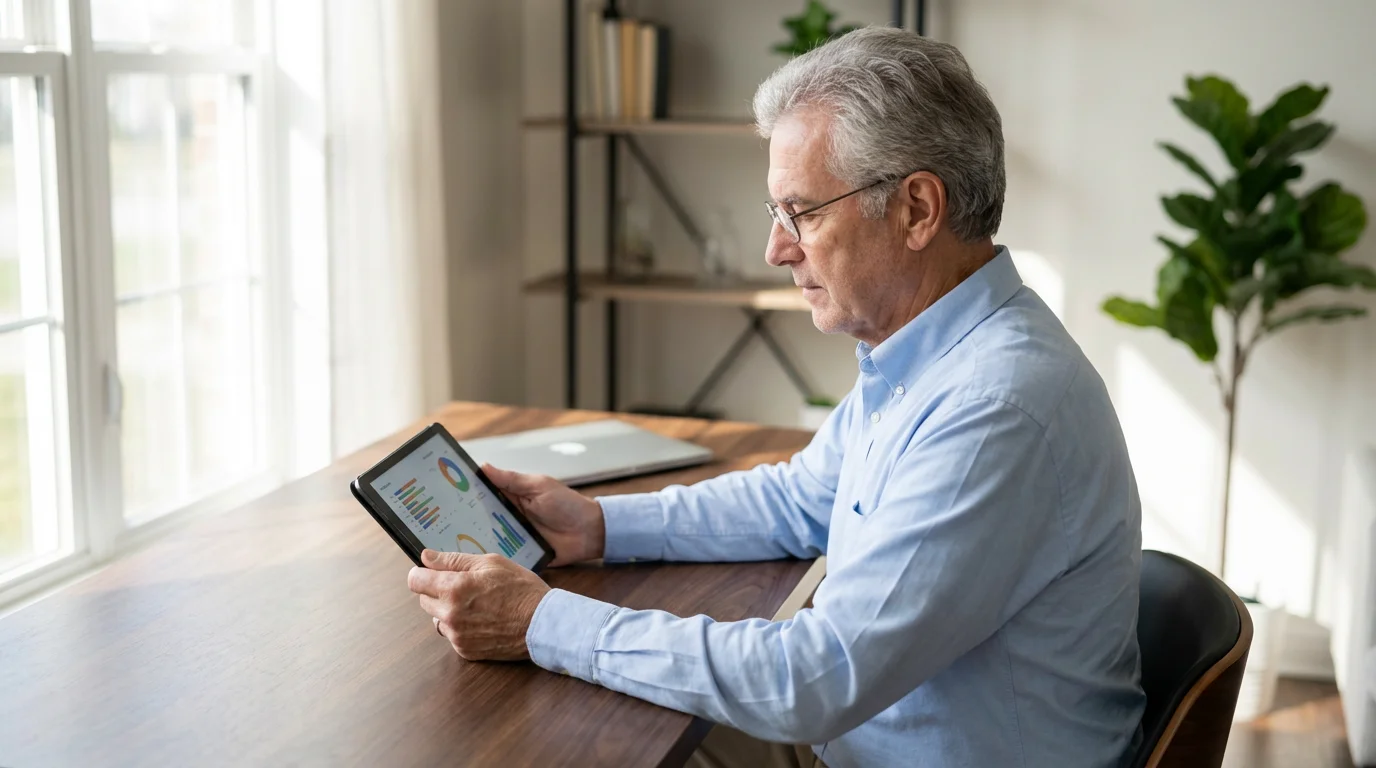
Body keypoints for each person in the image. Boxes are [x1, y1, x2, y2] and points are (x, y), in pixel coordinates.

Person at [406, 27, 1145, 768]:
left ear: (917, 210)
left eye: (803, 212)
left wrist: (540, 622)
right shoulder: (932, 351)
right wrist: (597, 526)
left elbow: (811, 680)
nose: (776, 249)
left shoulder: (994, 408)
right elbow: (800, 500)